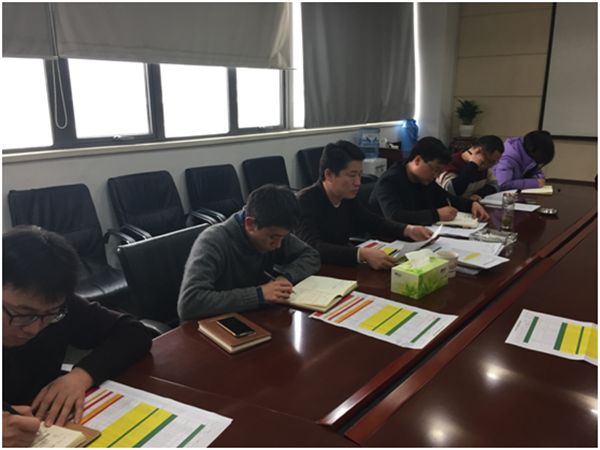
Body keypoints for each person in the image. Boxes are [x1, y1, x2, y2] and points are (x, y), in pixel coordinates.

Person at [3, 226, 152, 447]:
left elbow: (133, 333)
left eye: (49, 315)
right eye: (23, 315)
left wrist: (80, 376)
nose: (34, 329)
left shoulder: (60, 308)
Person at [178, 184, 320, 321]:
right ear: (250, 224)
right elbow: (189, 303)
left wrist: (285, 278)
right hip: (208, 326)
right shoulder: (213, 241)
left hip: (253, 316)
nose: (278, 245)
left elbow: (311, 256)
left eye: (283, 237)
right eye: (273, 238)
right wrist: (259, 295)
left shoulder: (274, 228)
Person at [295, 140, 433, 270]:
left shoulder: (346, 197)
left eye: (359, 175)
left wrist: (407, 230)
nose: (358, 182)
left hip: (341, 266)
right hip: (315, 272)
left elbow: (372, 222)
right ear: (329, 175)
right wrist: (360, 254)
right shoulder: (304, 202)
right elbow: (313, 246)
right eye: (352, 175)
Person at [369, 137, 490, 225]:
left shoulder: (424, 179)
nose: (436, 176)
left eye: (439, 171)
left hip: (416, 234)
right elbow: (394, 216)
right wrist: (436, 215)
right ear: (417, 160)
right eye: (435, 170)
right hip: (385, 240)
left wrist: (471, 205)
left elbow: (446, 198)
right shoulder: (389, 181)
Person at [436, 135, 504, 201]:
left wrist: (479, 194)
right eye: (491, 162)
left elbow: (495, 185)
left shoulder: (484, 166)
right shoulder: (451, 163)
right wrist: (473, 165)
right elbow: (450, 191)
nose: (490, 166)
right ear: (478, 151)